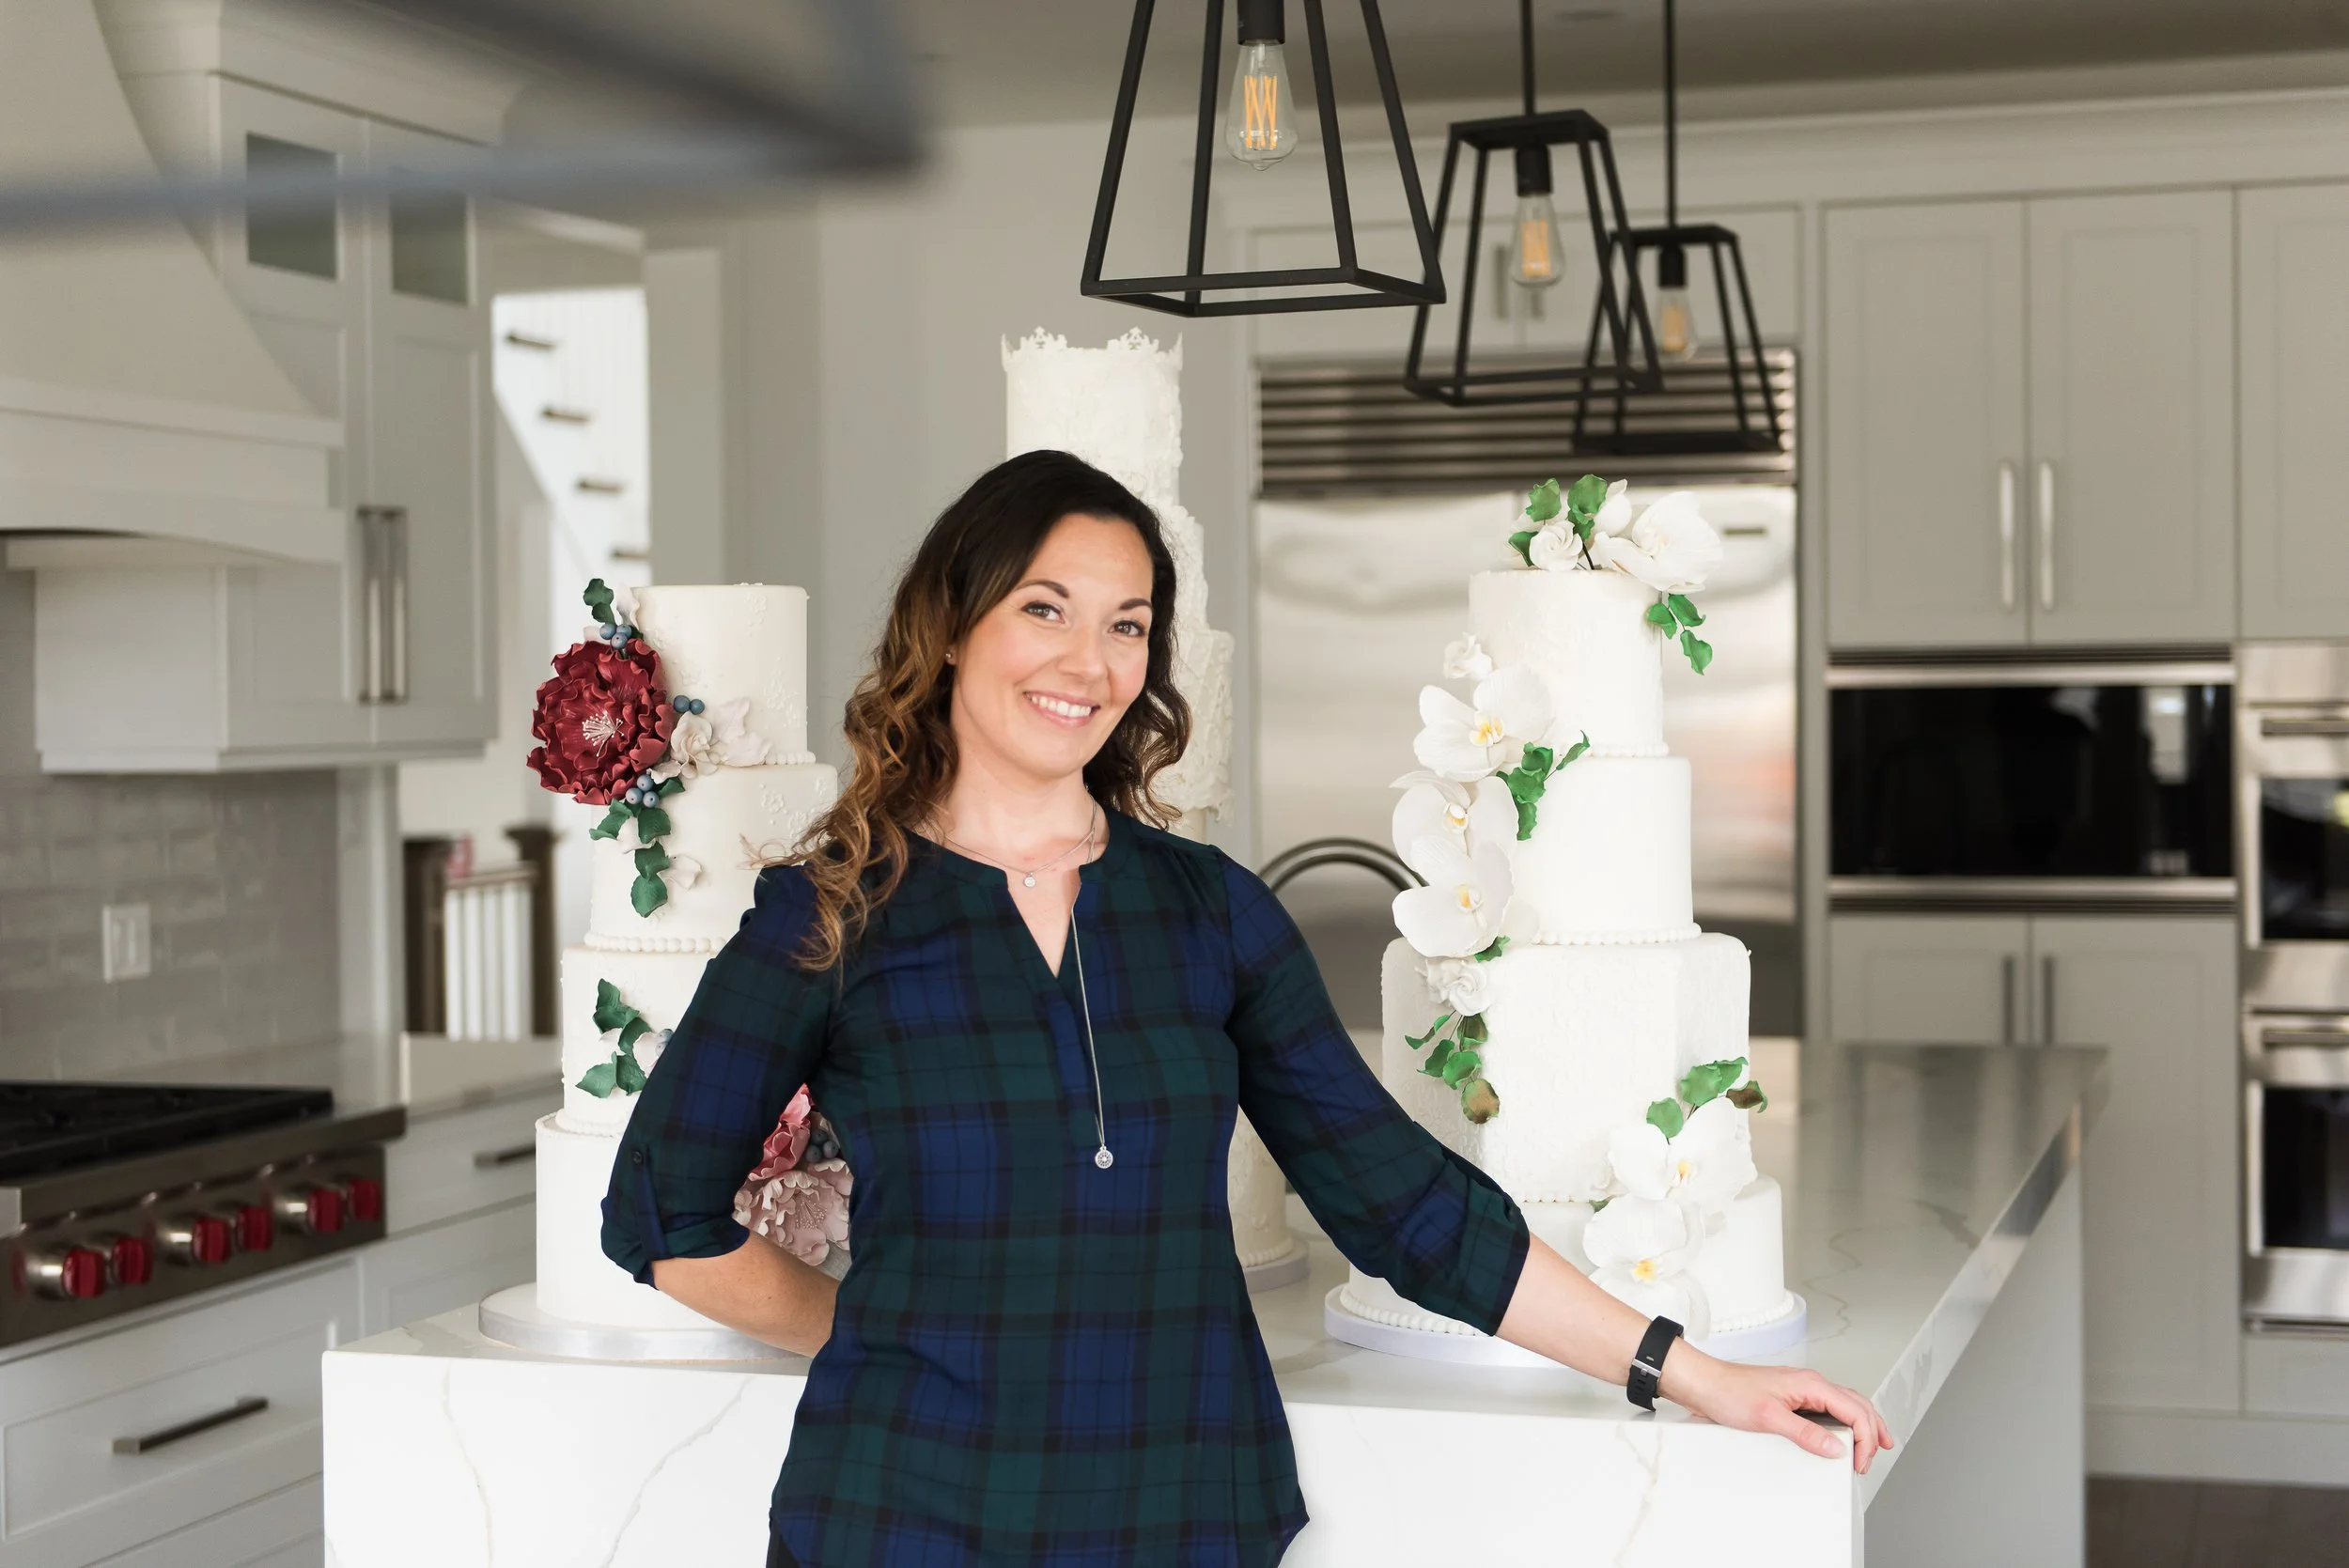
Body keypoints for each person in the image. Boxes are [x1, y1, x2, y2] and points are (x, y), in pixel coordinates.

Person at [601, 450, 1890, 1567]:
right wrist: (876, 1327)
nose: (1088, 661)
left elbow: (1403, 1205)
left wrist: (1696, 1372)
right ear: (952, 627)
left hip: (1181, 1516)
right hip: (904, 1518)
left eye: (1127, 624)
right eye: (1045, 608)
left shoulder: (1209, 912)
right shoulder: (832, 913)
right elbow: (657, 1210)